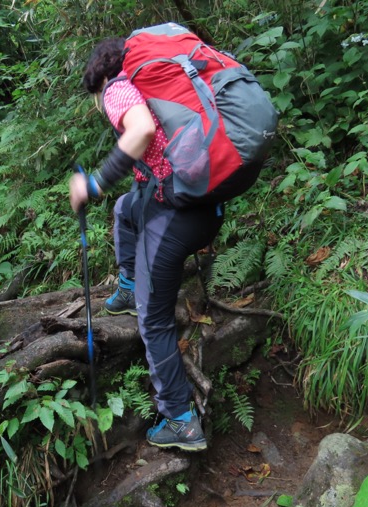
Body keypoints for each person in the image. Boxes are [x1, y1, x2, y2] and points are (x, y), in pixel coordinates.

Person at [69, 37, 261, 452]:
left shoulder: (119, 87)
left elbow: (141, 130)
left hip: (176, 218)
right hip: (204, 205)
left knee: (153, 320)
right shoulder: (161, 83)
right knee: (125, 209)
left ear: (99, 82)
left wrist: (95, 183)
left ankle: (180, 419)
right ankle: (128, 283)